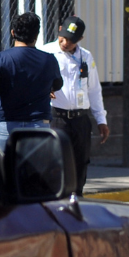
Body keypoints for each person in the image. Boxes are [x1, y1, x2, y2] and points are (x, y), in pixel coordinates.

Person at [42, 15, 108, 195]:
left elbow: (94, 89)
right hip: (57, 118)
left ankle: (77, 198)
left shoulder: (85, 57)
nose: (65, 43)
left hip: (80, 119)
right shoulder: (46, 52)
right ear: (59, 30)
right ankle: (55, 199)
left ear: (80, 40)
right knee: (56, 163)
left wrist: (101, 119)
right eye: (63, 38)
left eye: (71, 40)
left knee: (80, 162)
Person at [0, 12, 63, 153]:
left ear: (13, 33)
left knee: (4, 172)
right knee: (36, 172)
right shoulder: (49, 60)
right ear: (36, 35)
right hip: (38, 126)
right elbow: (58, 84)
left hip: (6, 125)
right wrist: (48, 88)